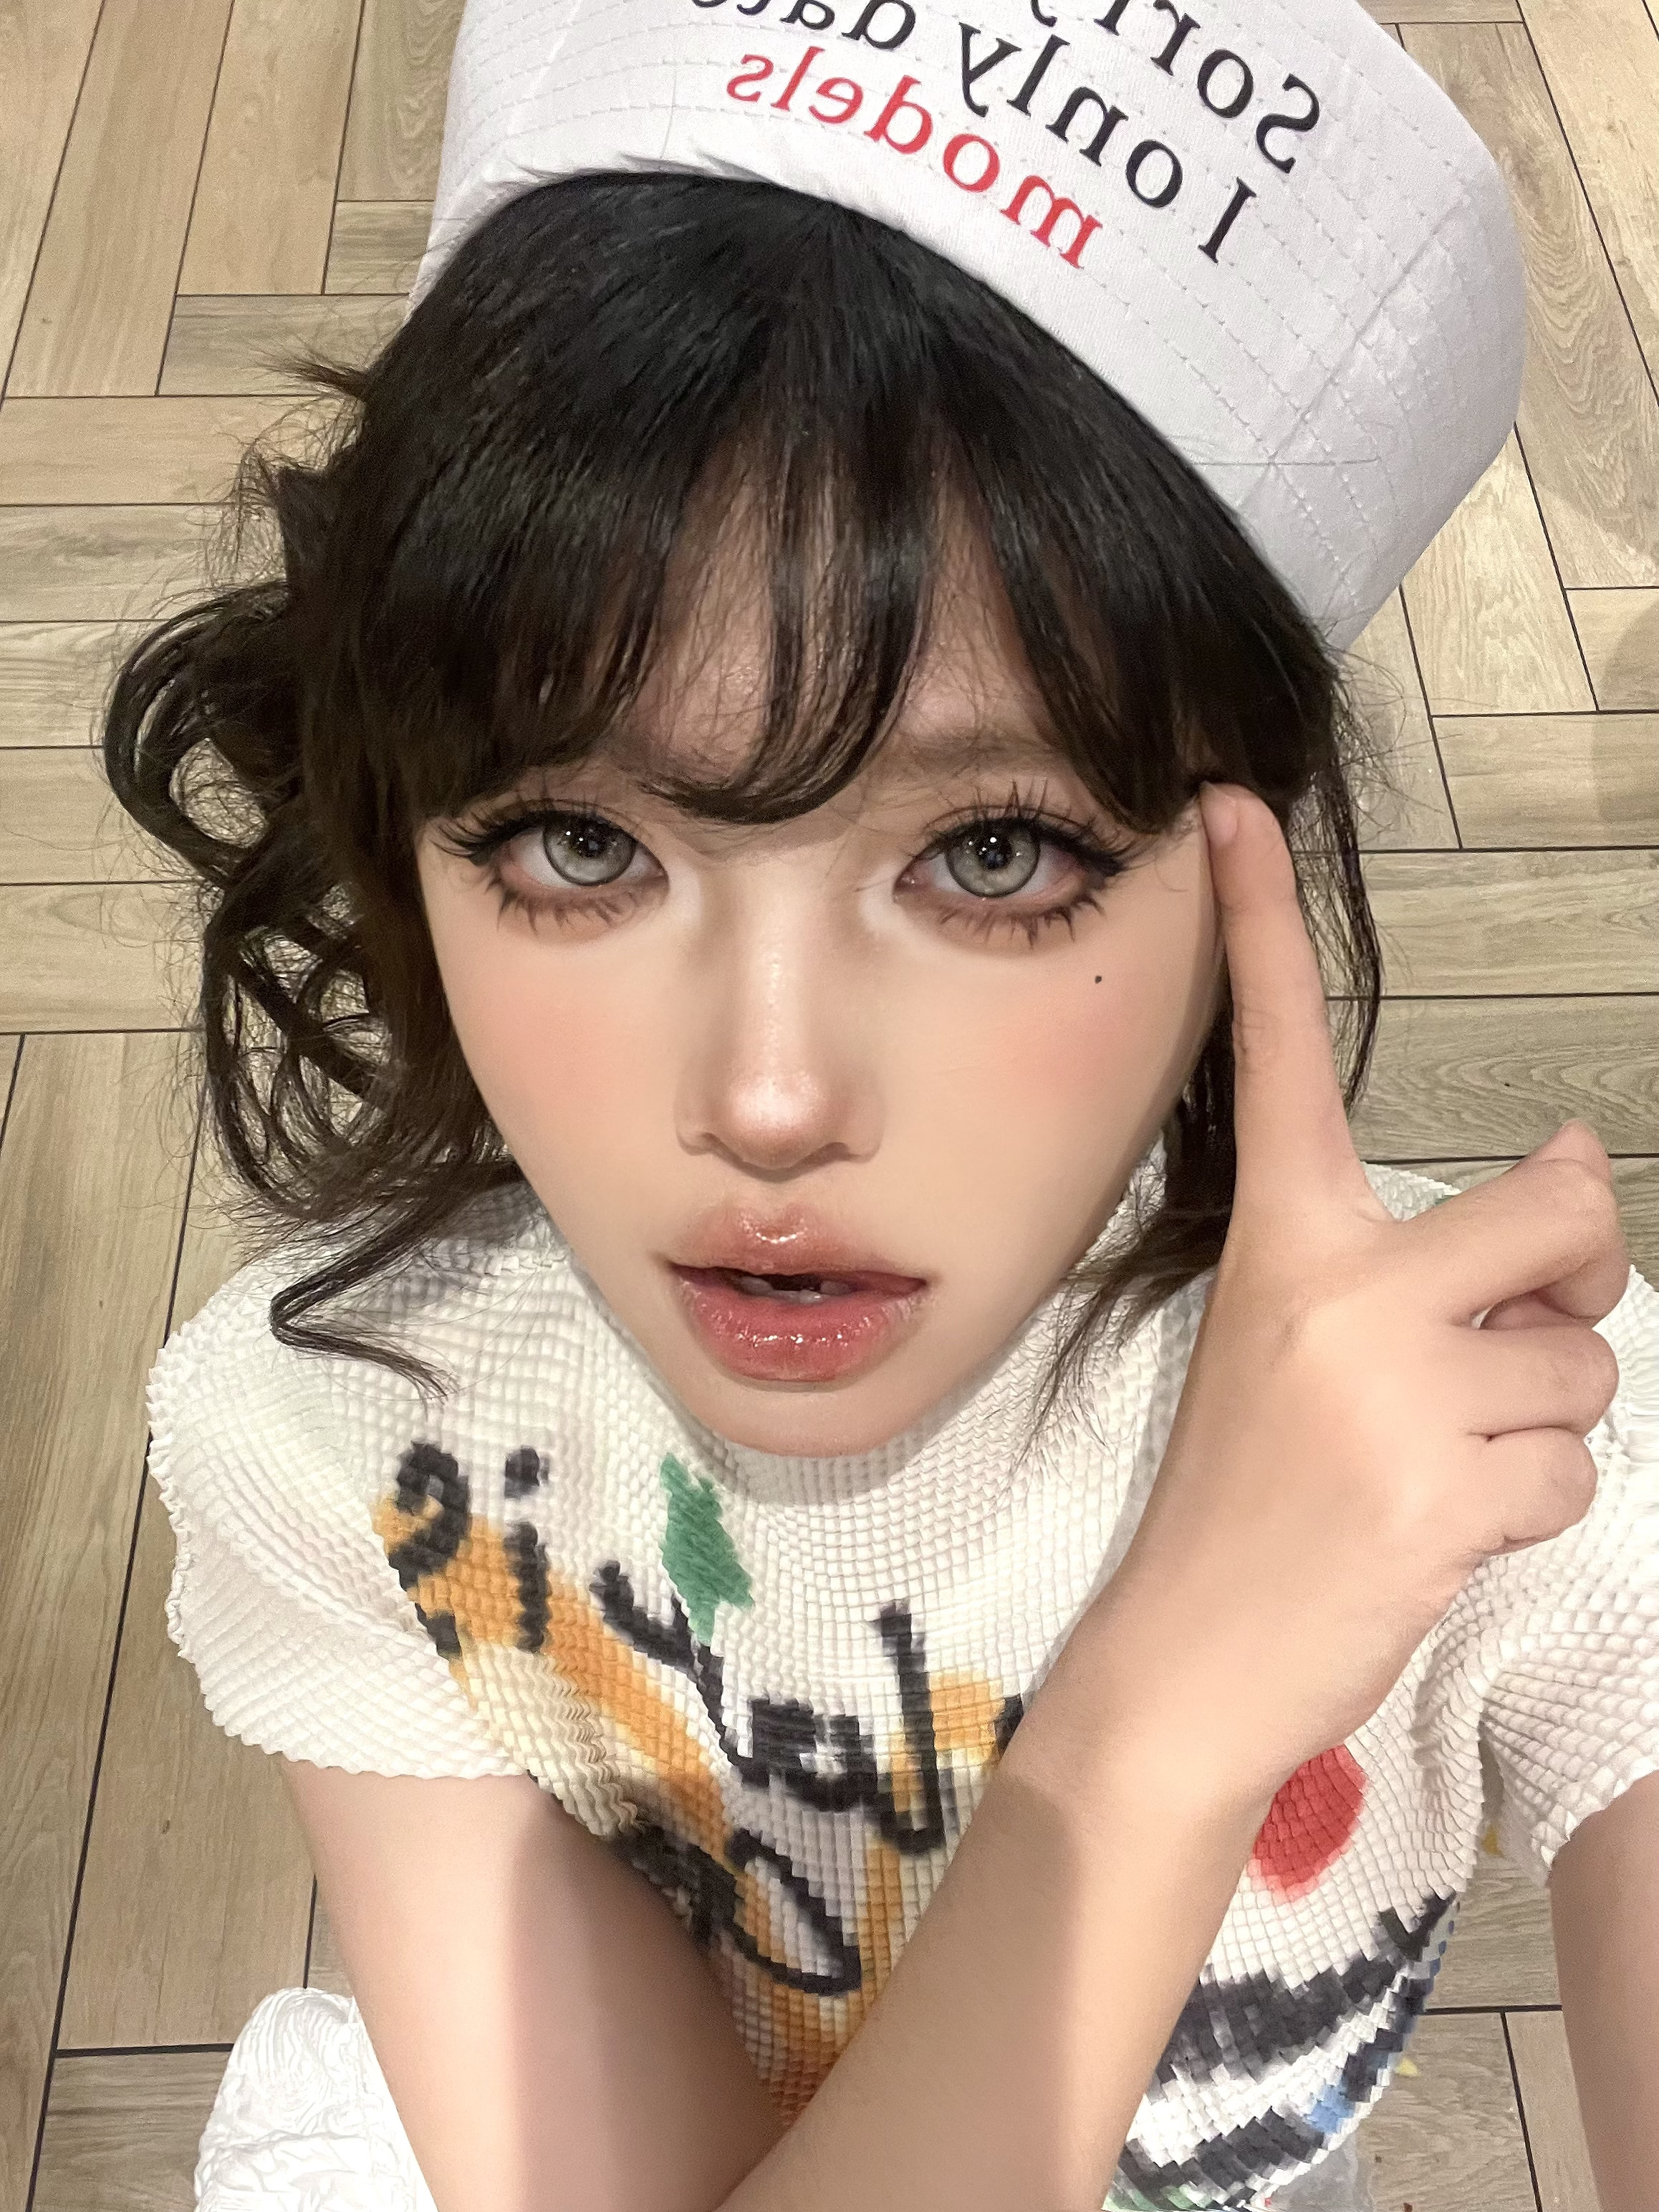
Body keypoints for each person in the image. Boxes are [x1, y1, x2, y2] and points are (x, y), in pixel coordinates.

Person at [106, 1, 1657, 2207]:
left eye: (993, 854)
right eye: (577, 842)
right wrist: (1155, 1726)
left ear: (1244, 851)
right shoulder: (346, 1443)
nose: (766, 1098)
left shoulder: (1524, 1460)